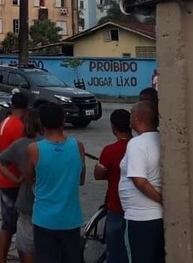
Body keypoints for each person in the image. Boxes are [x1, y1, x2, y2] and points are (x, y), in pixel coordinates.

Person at [25, 102, 86, 263]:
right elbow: (81, 179)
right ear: (63, 120)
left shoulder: (34, 149)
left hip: (44, 219)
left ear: (41, 122)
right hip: (70, 219)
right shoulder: (77, 146)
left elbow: (28, 178)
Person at [0, 108, 43, 263]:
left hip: (22, 194)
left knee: (21, 239)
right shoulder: (45, 144)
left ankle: (1, 259)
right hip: (43, 199)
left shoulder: (17, 140)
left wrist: (15, 178)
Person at [119, 101, 164, 263]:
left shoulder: (136, 144)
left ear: (138, 118)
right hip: (157, 217)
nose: (129, 118)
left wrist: (161, 199)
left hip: (140, 218)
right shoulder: (161, 138)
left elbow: (139, 180)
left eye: (131, 114)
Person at [94, 109, 133, 263]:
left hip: (116, 205)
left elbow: (99, 175)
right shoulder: (139, 145)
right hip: (136, 208)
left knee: (115, 250)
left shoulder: (110, 150)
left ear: (113, 127)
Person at [0, 91, 29, 263]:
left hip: (4, 179)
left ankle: (2, 257)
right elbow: (21, 153)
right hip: (13, 181)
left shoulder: (4, 122)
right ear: (26, 108)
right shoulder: (18, 127)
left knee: (8, 224)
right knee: (14, 226)